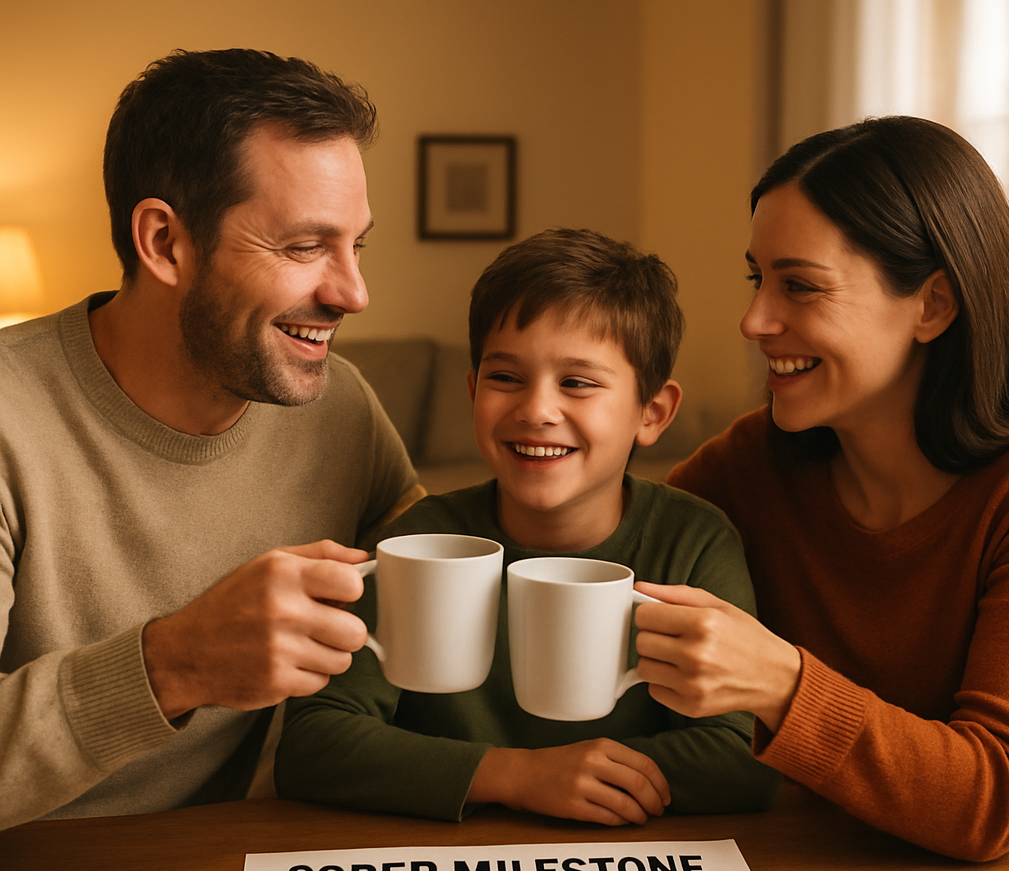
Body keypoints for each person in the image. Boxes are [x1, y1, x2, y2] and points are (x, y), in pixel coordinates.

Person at [0, 49, 421, 831]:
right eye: (303, 247)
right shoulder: (9, 423)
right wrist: (174, 664)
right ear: (164, 242)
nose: (352, 294)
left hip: (229, 864)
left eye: (355, 245)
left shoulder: (340, 410)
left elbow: (450, 566)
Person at [275, 228, 779, 824]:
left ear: (653, 413)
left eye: (578, 382)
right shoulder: (415, 544)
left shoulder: (693, 545)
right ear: (472, 391)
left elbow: (738, 757)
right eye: (505, 378)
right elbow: (312, 745)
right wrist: (516, 776)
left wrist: (577, 779)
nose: (536, 410)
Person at [637, 116, 1009, 861]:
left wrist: (781, 682)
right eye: (757, 278)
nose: (754, 320)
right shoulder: (752, 465)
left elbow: (998, 797)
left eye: (801, 286)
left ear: (932, 305)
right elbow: (605, 548)